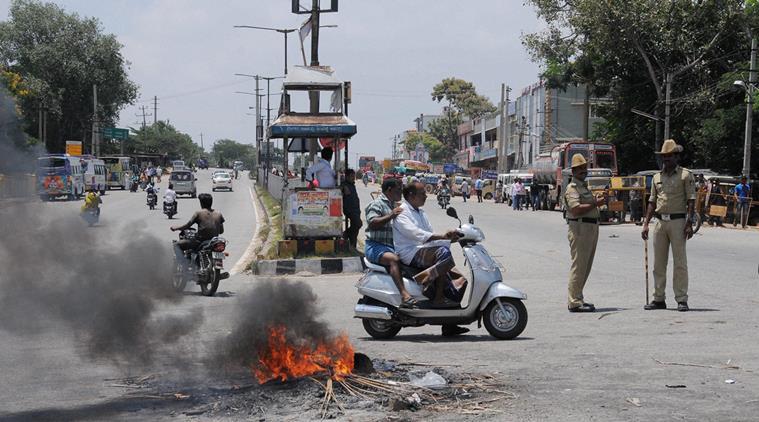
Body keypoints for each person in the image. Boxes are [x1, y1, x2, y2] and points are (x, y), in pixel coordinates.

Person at [393, 181, 469, 336]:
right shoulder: (402, 211)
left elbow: (430, 237)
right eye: (422, 193)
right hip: (410, 252)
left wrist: (451, 239)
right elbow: (416, 234)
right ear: (411, 195)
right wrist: (443, 237)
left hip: (424, 250)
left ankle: (449, 325)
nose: (426, 196)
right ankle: (435, 294)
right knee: (443, 253)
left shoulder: (421, 213)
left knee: (459, 282)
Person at [641, 139, 696, 312]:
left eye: (669, 156)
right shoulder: (657, 177)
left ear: (676, 157)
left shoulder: (686, 175)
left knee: (680, 262)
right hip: (659, 222)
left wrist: (689, 223)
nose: (666, 159)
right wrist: (645, 224)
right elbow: (651, 201)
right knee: (658, 263)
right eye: (664, 156)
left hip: (678, 222)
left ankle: (681, 298)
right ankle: (658, 298)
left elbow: (691, 200)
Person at [364, 178, 415, 308]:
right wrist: (391, 215)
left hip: (391, 247)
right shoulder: (377, 204)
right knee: (394, 260)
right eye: (399, 189)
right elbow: (372, 223)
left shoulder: (394, 205)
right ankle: (405, 295)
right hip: (376, 246)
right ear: (390, 190)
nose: (401, 192)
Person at [564, 154, 605, 313]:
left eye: (584, 168)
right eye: (579, 168)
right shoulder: (572, 188)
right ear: (573, 171)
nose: (582, 171)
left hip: (590, 228)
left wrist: (595, 200)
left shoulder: (583, 186)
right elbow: (576, 209)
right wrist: (595, 202)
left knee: (585, 266)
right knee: (579, 265)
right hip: (580, 228)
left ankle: (578, 297)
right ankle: (574, 301)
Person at [171, 193, 226, 268]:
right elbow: (221, 231)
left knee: (176, 245)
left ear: (201, 203)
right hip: (214, 241)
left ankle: (184, 265)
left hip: (200, 241)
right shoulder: (218, 214)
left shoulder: (199, 213)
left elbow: (187, 225)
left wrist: (176, 228)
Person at [341, 169, 362, 249]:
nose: (353, 178)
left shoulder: (352, 184)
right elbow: (339, 187)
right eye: (352, 176)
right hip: (349, 209)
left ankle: (353, 247)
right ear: (347, 177)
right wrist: (343, 187)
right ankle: (345, 234)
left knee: (355, 230)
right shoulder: (344, 184)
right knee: (358, 224)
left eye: (354, 176)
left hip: (356, 209)